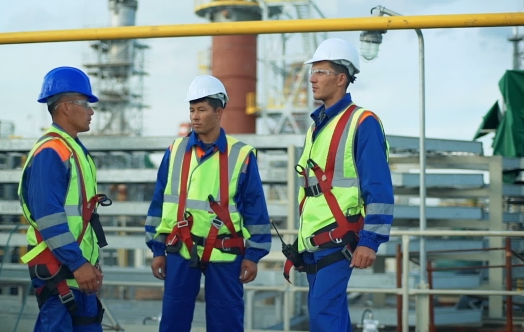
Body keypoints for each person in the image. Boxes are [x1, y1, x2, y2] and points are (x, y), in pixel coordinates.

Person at [144, 75, 272, 332]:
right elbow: (159, 201)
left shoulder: (241, 155)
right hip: (180, 249)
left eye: (201, 110)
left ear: (219, 112)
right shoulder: (175, 151)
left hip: (225, 251)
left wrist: (254, 255)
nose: (195, 116)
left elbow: (255, 208)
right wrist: (157, 250)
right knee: (173, 322)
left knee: (226, 322)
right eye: (191, 110)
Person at [289, 38, 394, 331]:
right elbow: (312, 192)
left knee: (325, 316)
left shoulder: (363, 122)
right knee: (330, 315)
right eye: (313, 71)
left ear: (342, 78)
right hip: (315, 241)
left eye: (321, 71)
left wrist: (370, 241)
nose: (312, 78)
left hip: (341, 238)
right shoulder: (315, 128)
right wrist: (301, 243)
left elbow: (379, 187)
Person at [19, 66, 111, 332]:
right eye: (86, 104)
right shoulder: (51, 151)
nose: (92, 111)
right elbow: (49, 217)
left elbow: (81, 217)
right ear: (66, 107)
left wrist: (89, 264)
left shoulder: (72, 148)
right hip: (59, 271)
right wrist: (79, 263)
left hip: (75, 270)